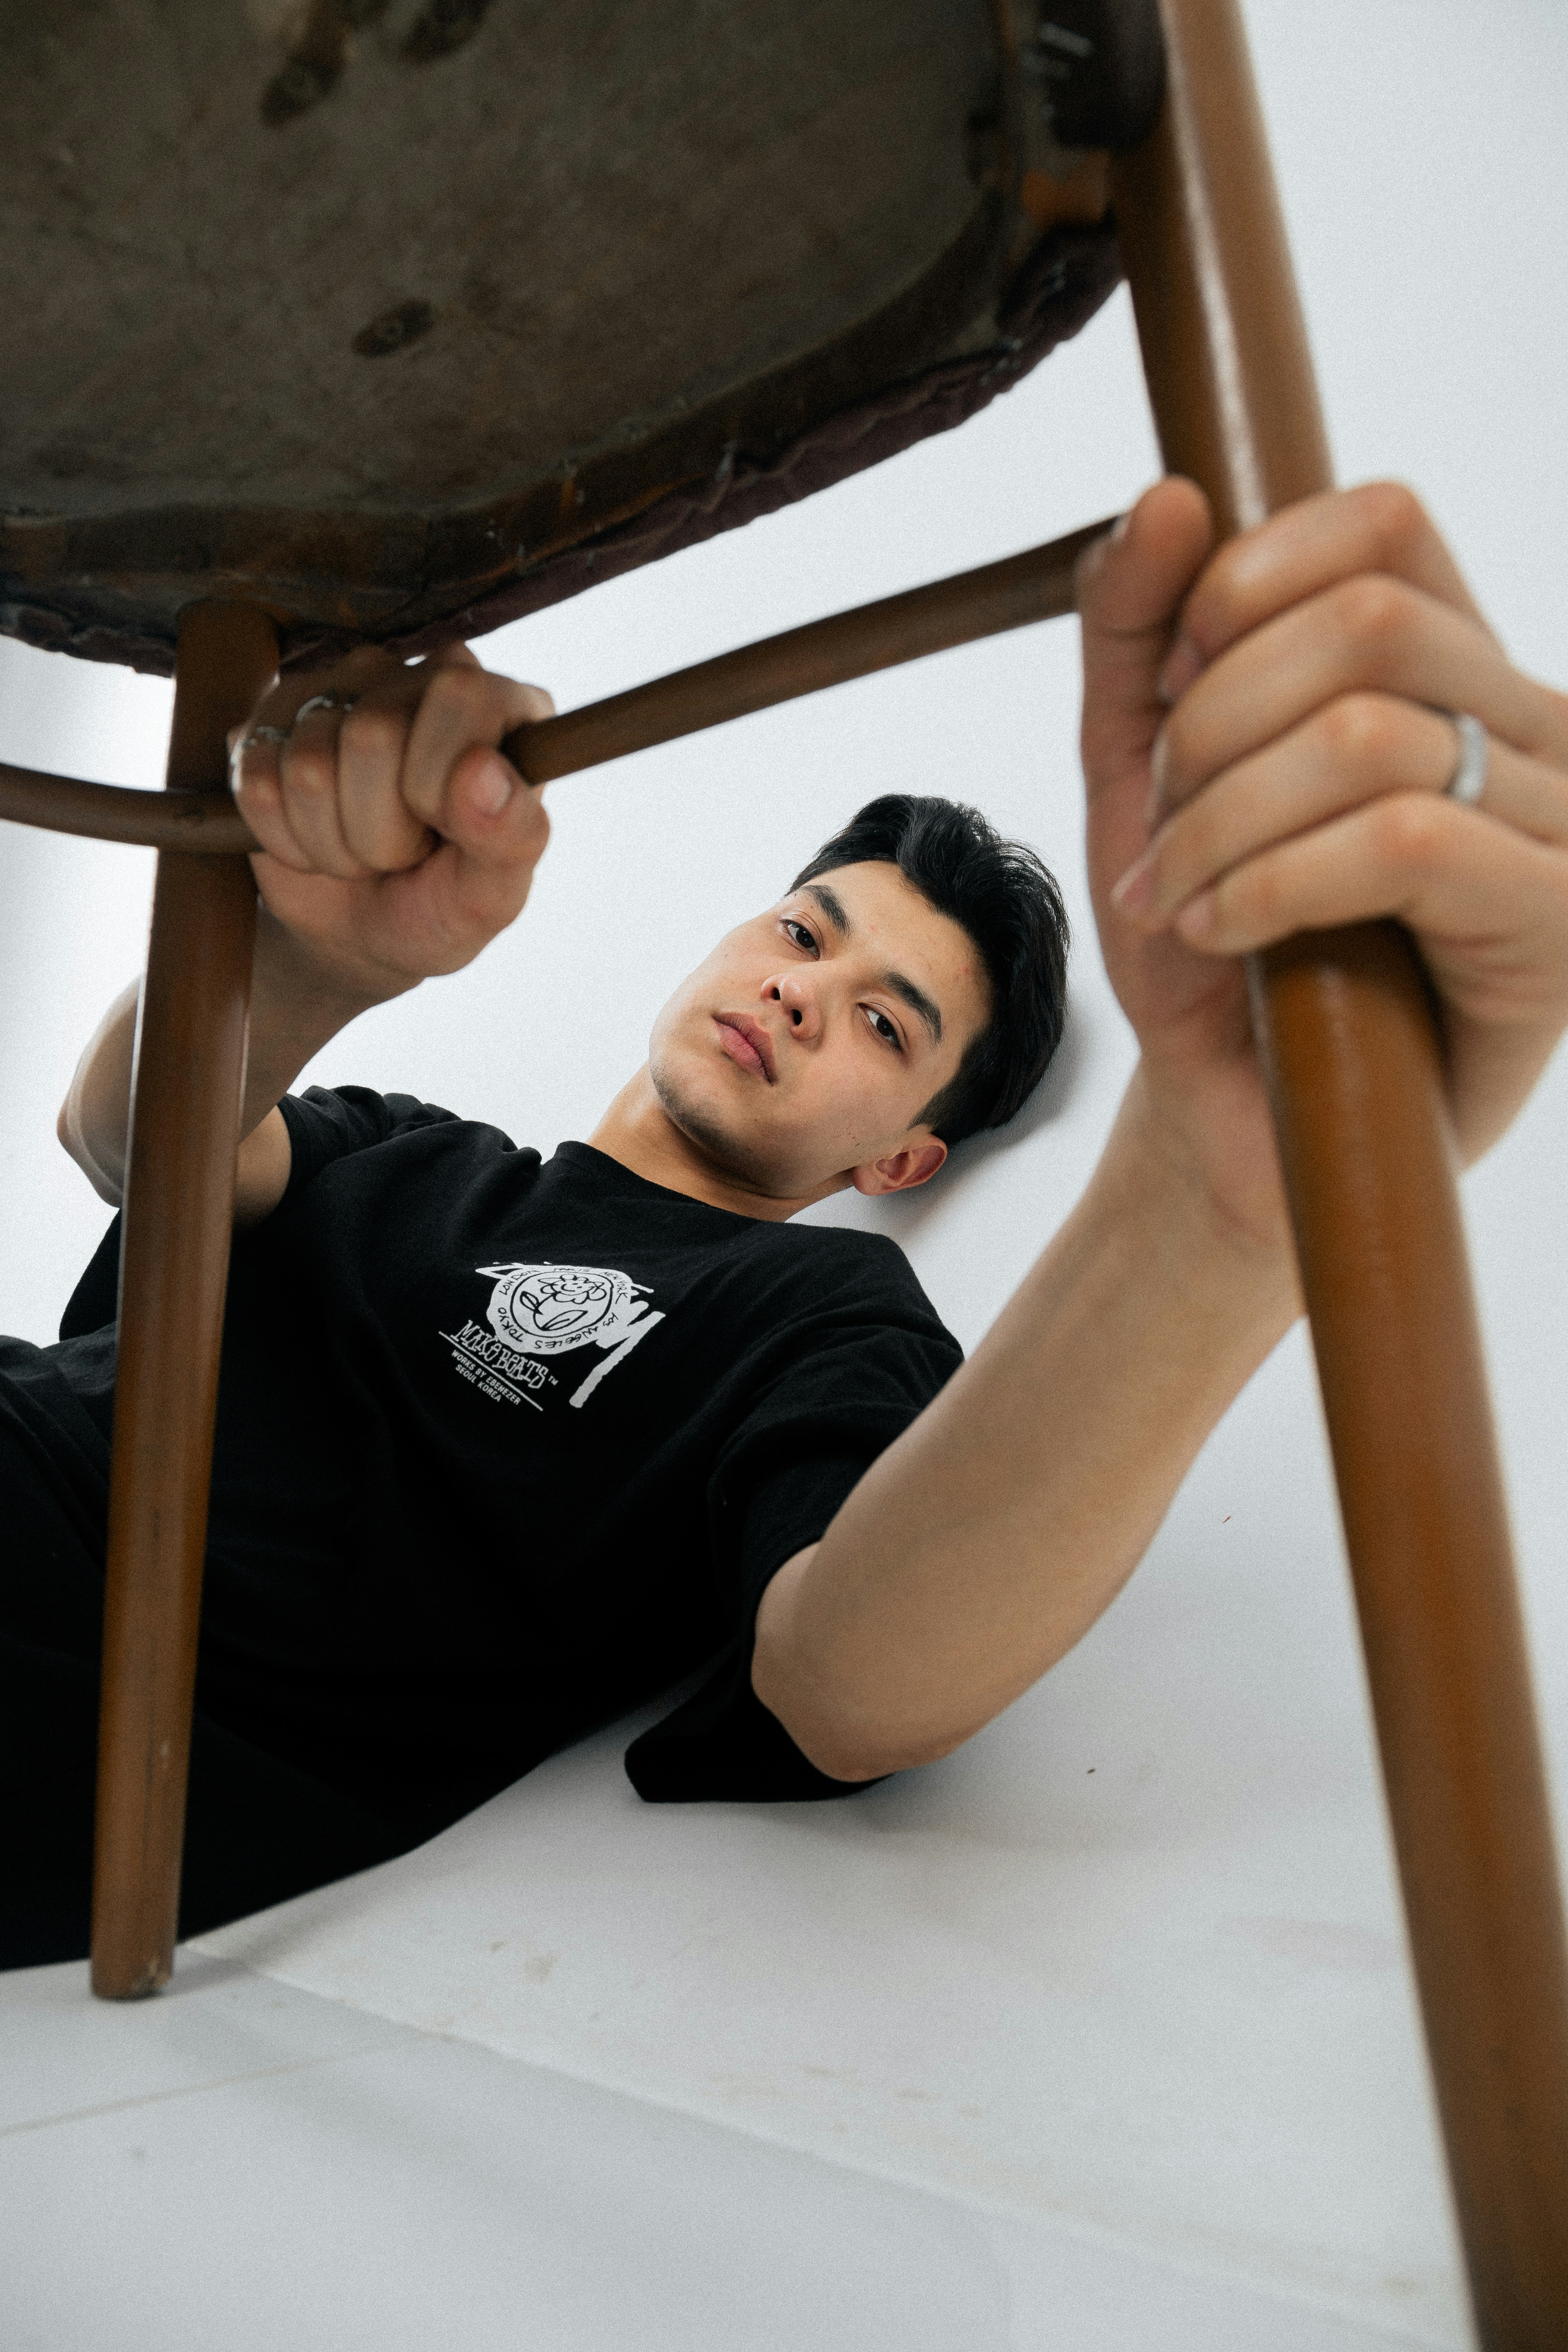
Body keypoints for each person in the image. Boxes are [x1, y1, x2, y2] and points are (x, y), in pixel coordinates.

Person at [7, 478, 1568, 1969]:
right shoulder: (407, 1149)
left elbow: (850, 1681)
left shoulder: (817, 1310)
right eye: (805, 934)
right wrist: (309, 962)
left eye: (885, 1027)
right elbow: (133, 1139)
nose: (803, 991)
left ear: (904, 1157)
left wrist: (1213, 1214)